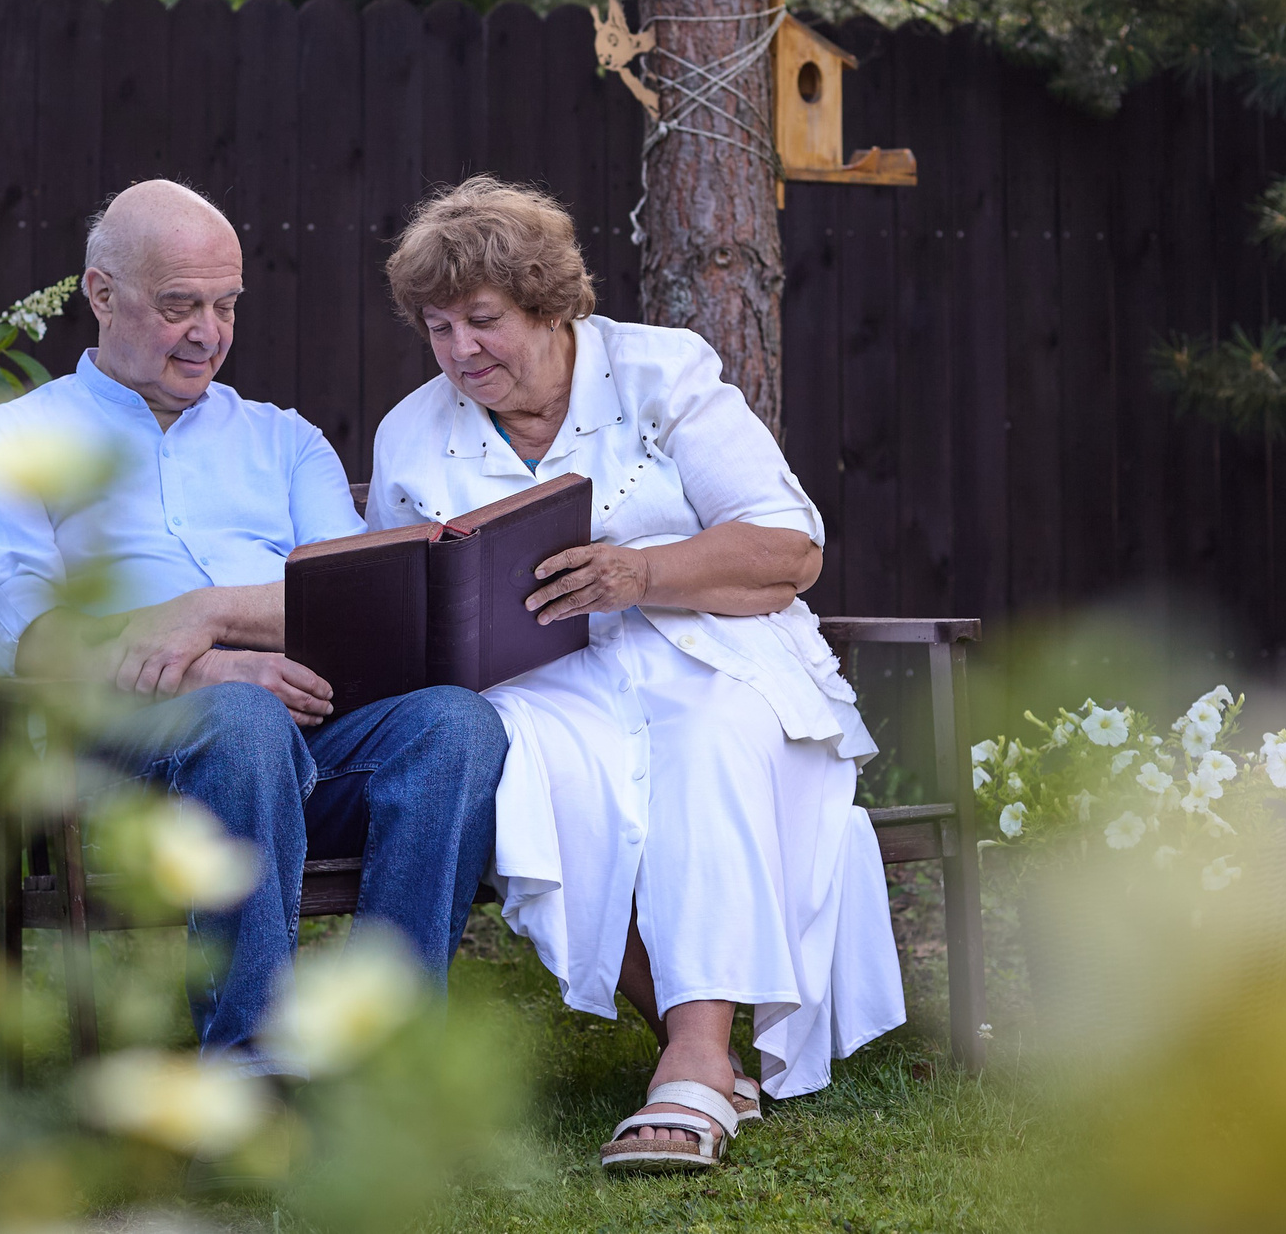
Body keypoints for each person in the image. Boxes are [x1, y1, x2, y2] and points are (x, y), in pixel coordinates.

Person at [366, 176, 907, 1173]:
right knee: (528, 773)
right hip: (533, 678)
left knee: (700, 738)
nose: (459, 353)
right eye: (437, 329)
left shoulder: (661, 374)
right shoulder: (411, 432)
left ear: (548, 302)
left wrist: (641, 572)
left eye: (482, 322)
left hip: (702, 643)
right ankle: (695, 1057)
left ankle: (695, 1064)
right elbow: (393, 596)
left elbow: (789, 549)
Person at [0, 179, 507, 1069]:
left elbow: (352, 603)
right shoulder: (15, 441)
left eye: (225, 304)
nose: (207, 331)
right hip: (123, 760)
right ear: (102, 293)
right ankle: (251, 1066)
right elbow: (24, 632)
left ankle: (387, 1061)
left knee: (457, 723)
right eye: (179, 305)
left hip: (313, 741)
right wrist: (211, 672)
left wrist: (201, 619)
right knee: (240, 718)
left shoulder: (285, 441)